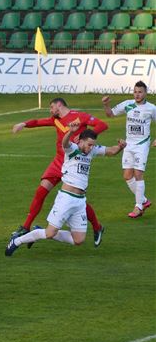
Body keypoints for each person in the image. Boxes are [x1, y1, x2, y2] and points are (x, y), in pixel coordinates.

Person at [5, 123, 126, 256]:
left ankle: (39, 231)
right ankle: (17, 241)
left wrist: (120, 146)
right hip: (66, 198)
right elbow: (65, 143)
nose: (91, 148)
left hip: (80, 201)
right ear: (80, 141)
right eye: (89, 144)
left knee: (78, 240)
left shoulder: (92, 150)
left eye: (93, 145)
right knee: (50, 233)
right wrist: (69, 132)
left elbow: (111, 151)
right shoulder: (72, 149)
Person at [11, 97, 109, 247]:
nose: (50, 110)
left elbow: (102, 124)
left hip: (73, 164)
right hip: (58, 163)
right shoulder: (55, 120)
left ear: (59, 104)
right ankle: (26, 227)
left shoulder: (80, 116)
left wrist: (84, 137)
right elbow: (38, 122)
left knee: (77, 198)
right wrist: (23, 124)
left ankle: (97, 227)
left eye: (51, 107)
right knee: (41, 191)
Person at [102, 80, 156, 218]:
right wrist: (106, 104)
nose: (137, 95)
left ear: (145, 93)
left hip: (142, 145)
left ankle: (138, 207)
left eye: (140, 92)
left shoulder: (151, 108)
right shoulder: (128, 104)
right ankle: (143, 200)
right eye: (135, 92)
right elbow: (110, 114)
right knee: (127, 176)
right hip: (128, 145)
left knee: (138, 174)